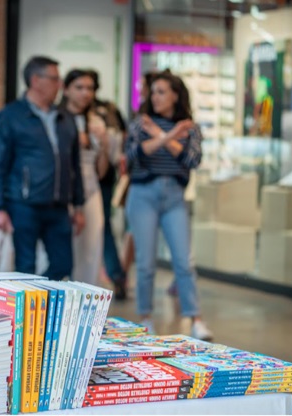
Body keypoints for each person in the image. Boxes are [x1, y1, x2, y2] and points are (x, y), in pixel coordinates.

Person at [124, 70, 213, 340]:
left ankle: (196, 319)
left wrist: (165, 135)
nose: (156, 97)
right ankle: (146, 318)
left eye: (162, 91)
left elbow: (192, 160)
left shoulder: (190, 128)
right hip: (143, 195)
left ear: (175, 95)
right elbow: (133, 156)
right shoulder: (142, 123)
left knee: (184, 261)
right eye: (154, 92)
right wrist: (170, 136)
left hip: (174, 195)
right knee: (145, 262)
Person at [0, 56, 85, 281]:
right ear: (35, 80)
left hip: (59, 206)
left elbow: (74, 164)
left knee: (63, 265)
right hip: (23, 204)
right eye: (54, 78)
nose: (59, 85)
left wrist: (78, 205)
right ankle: (27, 314)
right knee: (25, 267)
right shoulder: (10, 116)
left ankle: (44, 306)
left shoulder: (65, 118)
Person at [61, 69, 111, 286]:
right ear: (66, 89)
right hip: (62, 192)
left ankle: (84, 305)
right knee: (60, 249)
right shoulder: (57, 119)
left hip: (91, 188)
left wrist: (104, 145)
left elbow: (101, 171)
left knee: (91, 250)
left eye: (90, 88)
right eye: (79, 87)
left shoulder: (97, 122)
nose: (85, 93)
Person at [87, 70, 129, 299]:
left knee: (101, 228)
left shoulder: (103, 112)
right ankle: (115, 274)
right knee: (103, 228)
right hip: (99, 177)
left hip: (101, 178)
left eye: (88, 87)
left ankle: (112, 274)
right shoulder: (109, 110)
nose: (85, 92)